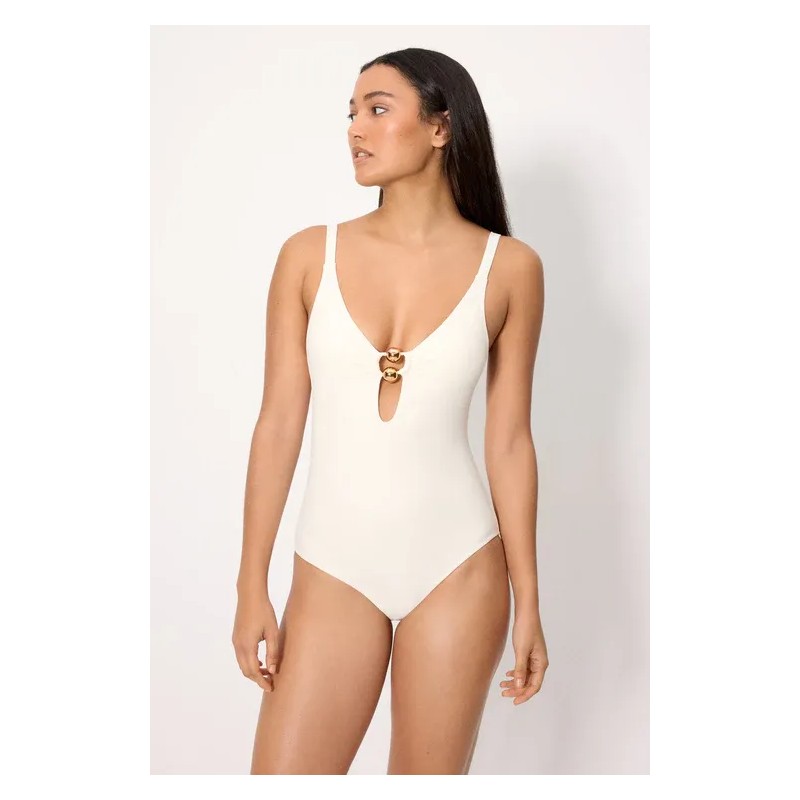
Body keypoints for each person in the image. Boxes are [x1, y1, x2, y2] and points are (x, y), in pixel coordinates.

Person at [232, 47, 547, 775]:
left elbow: (510, 442)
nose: (356, 129)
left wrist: (529, 600)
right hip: (332, 567)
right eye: (352, 114)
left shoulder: (511, 268)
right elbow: (278, 424)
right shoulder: (307, 256)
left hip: (459, 568)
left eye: (378, 109)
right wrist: (251, 583)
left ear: (441, 127)